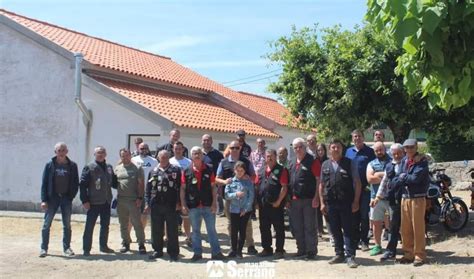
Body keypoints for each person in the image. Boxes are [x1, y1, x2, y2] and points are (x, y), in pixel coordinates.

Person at [320, 139, 361, 268]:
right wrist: (322, 202)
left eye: (338, 147)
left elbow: (357, 183)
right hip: (331, 203)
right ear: (330, 149)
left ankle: (350, 256)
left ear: (342, 149)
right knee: (335, 230)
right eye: (333, 147)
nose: (335, 149)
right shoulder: (325, 164)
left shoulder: (349, 163)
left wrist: (356, 201)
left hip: (346, 203)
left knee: (348, 230)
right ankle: (339, 254)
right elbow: (321, 185)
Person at [181, 146, 225, 262]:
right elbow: (183, 189)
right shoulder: (186, 171)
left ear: (202, 155)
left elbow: (213, 188)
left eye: (199, 153)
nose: (197, 155)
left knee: (211, 230)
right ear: (191, 156)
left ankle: (216, 253)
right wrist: (183, 204)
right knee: (195, 231)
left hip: (208, 205)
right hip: (193, 206)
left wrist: (214, 204)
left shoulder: (209, 169)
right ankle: (197, 253)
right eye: (195, 153)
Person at [215, 140, 258, 255]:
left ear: (240, 149)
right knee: (231, 224)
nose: (234, 150)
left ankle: (250, 245)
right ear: (229, 148)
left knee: (247, 224)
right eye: (232, 147)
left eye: (237, 148)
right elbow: (216, 178)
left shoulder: (246, 161)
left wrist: (248, 178)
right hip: (230, 199)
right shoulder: (223, 162)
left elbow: (254, 177)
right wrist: (225, 181)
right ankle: (233, 248)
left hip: (245, 198)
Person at [392, 139, 429, 266]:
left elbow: (415, 178)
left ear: (416, 147)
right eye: (406, 147)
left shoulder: (422, 162)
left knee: (418, 227)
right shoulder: (404, 161)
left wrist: (403, 177)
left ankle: (419, 255)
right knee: (405, 228)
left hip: (417, 197)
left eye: (411, 147)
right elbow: (397, 178)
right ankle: (408, 254)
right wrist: (403, 177)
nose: (409, 150)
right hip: (405, 197)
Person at [39, 142, 79, 258]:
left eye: (63, 150)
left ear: (67, 151)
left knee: (67, 224)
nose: (61, 153)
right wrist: (44, 200)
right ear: (55, 152)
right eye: (59, 150)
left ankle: (67, 248)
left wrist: (71, 196)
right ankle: (44, 248)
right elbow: (44, 183)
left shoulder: (72, 165)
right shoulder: (49, 165)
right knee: (46, 224)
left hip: (66, 198)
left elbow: (75, 182)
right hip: (52, 198)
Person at [288, 138, 321, 259]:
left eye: (300, 147)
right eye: (295, 147)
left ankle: (311, 251)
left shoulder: (312, 161)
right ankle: (301, 249)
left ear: (304, 147)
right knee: (297, 226)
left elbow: (318, 180)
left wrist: (316, 197)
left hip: (309, 199)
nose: (297, 149)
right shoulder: (291, 162)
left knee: (310, 226)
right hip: (294, 200)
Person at [145, 150, 181, 261]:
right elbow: (148, 189)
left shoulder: (175, 170)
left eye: (166, 156)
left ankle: (173, 252)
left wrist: (179, 203)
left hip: (171, 204)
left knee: (172, 230)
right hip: (156, 204)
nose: (164, 158)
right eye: (162, 157)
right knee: (156, 229)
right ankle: (157, 250)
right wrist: (147, 203)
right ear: (158, 158)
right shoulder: (153, 171)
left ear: (169, 157)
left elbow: (180, 188)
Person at [79, 146, 115, 256]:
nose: (101, 154)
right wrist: (84, 200)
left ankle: (103, 246)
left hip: (106, 201)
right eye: (98, 153)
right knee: (90, 226)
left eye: (103, 152)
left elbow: (114, 182)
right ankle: (86, 249)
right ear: (94, 154)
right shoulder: (89, 167)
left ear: (106, 154)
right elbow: (82, 185)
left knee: (105, 225)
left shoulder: (109, 167)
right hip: (93, 202)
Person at [373, 143, 405, 261]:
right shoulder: (389, 165)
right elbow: (384, 182)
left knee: (407, 225)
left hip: (407, 199)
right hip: (393, 199)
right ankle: (391, 251)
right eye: (394, 153)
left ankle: (410, 249)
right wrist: (378, 197)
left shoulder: (407, 163)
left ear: (403, 153)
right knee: (393, 226)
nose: (396, 155)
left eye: (399, 153)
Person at [345, 129, 375, 252]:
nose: (357, 138)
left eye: (359, 136)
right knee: (353, 216)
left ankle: (364, 241)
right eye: (354, 136)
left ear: (363, 138)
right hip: (351, 190)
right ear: (352, 139)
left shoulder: (369, 152)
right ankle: (355, 240)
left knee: (364, 216)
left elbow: (374, 166)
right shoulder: (348, 151)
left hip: (365, 189)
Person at [255, 149, 288, 259]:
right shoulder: (261, 170)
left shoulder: (281, 170)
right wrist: (256, 202)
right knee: (264, 228)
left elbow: (284, 187)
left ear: (275, 157)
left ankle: (279, 250)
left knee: (278, 228)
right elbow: (256, 186)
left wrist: (278, 201)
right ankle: (267, 249)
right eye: (267, 156)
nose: (269, 158)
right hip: (263, 205)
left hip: (275, 205)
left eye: (271, 156)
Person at [113, 148, 146, 254]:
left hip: (133, 200)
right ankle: (125, 243)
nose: (125, 157)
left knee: (137, 224)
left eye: (127, 155)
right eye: (122, 156)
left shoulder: (137, 168)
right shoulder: (117, 168)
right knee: (123, 224)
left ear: (130, 156)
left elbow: (141, 184)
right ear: (120, 157)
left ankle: (141, 244)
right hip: (121, 200)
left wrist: (140, 198)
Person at [224, 161, 255, 258]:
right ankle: (233, 249)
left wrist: (245, 209)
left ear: (245, 171)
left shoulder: (248, 182)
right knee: (234, 230)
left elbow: (251, 196)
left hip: (245, 211)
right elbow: (226, 195)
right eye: (238, 170)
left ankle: (239, 251)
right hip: (234, 209)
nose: (240, 172)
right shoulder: (230, 181)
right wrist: (235, 194)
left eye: (242, 171)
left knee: (242, 231)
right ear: (235, 170)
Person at [367, 141, 392, 256]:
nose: (379, 152)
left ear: (384, 149)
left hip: (391, 197)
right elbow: (370, 179)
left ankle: (392, 246)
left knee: (393, 223)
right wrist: (386, 176)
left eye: (380, 149)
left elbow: (394, 176)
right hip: (375, 198)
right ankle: (377, 246)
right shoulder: (371, 163)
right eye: (376, 150)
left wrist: (378, 174)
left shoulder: (392, 161)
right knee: (376, 223)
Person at [131, 143, 158, 236]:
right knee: (132, 214)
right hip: (135, 191)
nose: (144, 150)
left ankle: (141, 234)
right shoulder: (133, 160)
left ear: (148, 149)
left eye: (146, 148)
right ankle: (128, 235)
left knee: (144, 213)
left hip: (148, 191)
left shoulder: (154, 161)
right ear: (138, 149)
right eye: (141, 148)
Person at [169, 141, 192, 246]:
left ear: (183, 150)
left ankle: (188, 238)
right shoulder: (169, 161)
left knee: (186, 216)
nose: (178, 150)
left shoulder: (188, 162)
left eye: (180, 149)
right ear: (173, 149)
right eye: (176, 148)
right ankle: (168, 238)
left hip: (185, 193)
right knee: (170, 217)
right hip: (171, 193)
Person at [201, 134, 225, 215]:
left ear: (212, 141)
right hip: (202, 182)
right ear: (202, 141)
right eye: (204, 140)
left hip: (214, 182)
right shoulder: (199, 154)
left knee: (216, 198)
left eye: (208, 140)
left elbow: (222, 168)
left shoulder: (218, 154)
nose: (206, 142)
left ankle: (218, 211)